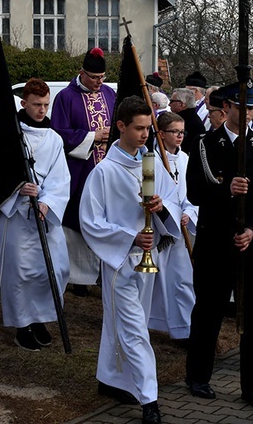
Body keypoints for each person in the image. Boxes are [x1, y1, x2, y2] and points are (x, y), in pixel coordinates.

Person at [79, 96, 181, 424]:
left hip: (149, 261)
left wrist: (162, 209)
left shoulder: (152, 165)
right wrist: (130, 237)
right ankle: (149, 399)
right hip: (119, 263)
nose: (145, 135)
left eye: (148, 129)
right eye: (138, 128)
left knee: (120, 325)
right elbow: (91, 222)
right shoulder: (104, 173)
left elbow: (177, 202)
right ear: (120, 126)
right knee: (135, 330)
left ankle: (110, 379)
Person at [185, 79, 253, 410]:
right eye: (242, 106)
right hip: (215, 241)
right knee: (208, 309)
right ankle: (198, 375)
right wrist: (226, 191)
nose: (249, 113)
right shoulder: (205, 144)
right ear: (228, 108)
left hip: (250, 243)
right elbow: (195, 192)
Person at [0, 78, 71, 351]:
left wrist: (47, 201)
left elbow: (61, 176)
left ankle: (40, 317)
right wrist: (18, 188)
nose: (42, 110)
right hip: (17, 214)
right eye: (37, 105)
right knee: (21, 272)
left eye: (46, 105)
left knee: (54, 267)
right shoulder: (10, 135)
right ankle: (22, 324)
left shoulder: (54, 138)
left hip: (44, 213)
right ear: (24, 103)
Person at [51, 47, 115, 292]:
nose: (99, 82)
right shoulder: (66, 97)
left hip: (106, 169)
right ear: (82, 73)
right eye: (94, 77)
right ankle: (78, 278)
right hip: (81, 169)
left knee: (105, 219)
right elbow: (59, 133)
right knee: (79, 220)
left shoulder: (109, 94)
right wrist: (93, 136)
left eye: (102, 77)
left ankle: (101, 272)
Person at [148, 112, 197, 340]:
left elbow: (191, 195)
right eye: (174, 132)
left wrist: (187, 212)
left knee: (182, 280)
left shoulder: (186, 160)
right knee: (153, 281)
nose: (179, 136)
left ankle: (184, 329)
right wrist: (169, 210)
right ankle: (152, 323)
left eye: (182, 132)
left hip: (179, 232)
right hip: (159, 228)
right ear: (161, 133)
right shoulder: (152, 160)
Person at [168, 88, 206, 154]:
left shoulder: (190, 123)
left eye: (171, 101)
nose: (169, 104)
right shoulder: (188, 118)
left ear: (182, 104)